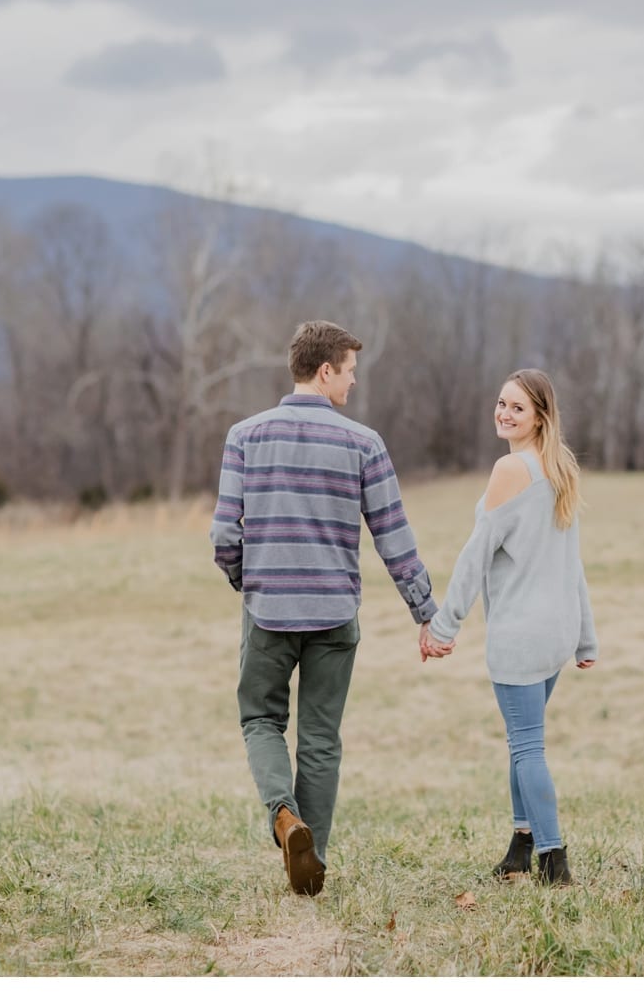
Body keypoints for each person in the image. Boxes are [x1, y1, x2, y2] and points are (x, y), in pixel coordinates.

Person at [211, 320, 438, 896]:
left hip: (268, 610)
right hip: (335, 612)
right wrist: (424, 608)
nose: (353, 385)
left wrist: (250, 580)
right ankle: (312, 864)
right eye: (350, 372)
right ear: (325, 370)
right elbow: (394, 535)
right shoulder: (364, 443)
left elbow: (222, 535)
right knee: (320, 737)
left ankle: (285, 818)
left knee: (261, 719)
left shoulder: (245, 436)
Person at [419, 368, 597, 886]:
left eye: (517, 407)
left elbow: (474, 558)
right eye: (500, 403)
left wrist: (444, 626)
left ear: (540, 416)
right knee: (524, 741)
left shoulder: (509, 469)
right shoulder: (560, 467)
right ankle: (521, 846)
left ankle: (553, 860)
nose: (504, 413)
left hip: (521, 635)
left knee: (526, 747)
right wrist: (585, 636)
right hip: (558, 632)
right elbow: (574, 563)